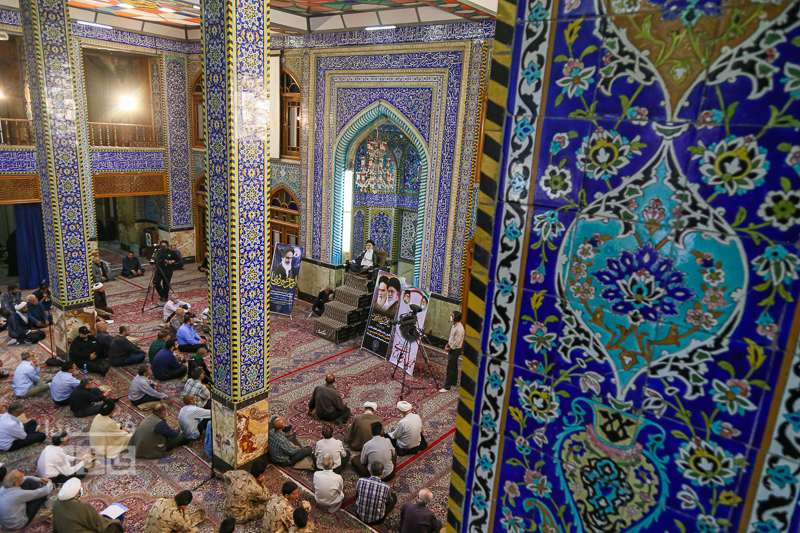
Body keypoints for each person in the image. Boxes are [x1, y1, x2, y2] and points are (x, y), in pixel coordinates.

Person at [52, 478, 119, 533]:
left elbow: (55, 528)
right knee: (114, 525)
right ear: (77, 493)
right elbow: (100, 525)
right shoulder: (83, 507)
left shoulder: (56, 505)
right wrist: (116, 522)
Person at [355, 461, 397, 525]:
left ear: (370, 471)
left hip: (359, 515)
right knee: (393, 497)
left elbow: (357, 493)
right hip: (377, 520)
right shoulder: (385, 487)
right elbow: (387, 501)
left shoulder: (361, 481)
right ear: (382, 473)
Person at [440, 310, 465, 392]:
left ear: (455, 318)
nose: (451, 317)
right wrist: (447, 344)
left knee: (450, 368)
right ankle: (454, 382)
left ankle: (447, 387)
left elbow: (456, 343)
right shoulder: (454, 326)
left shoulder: (460, 329)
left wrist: (449, 348)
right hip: (451, 347)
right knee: (454, 365)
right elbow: (452, 338)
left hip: (455, 350)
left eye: (452, 316)